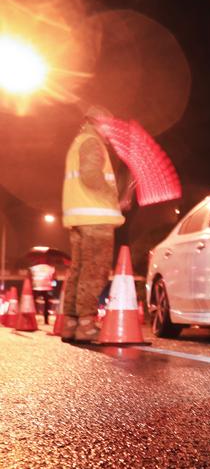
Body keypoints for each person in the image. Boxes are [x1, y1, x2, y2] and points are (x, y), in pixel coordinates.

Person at [60, 106, 131, 343]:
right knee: (94, 272)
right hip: (96, 220)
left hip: (80, 219)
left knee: (79, 271)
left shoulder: (79, 141)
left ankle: (70, 323)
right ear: (99, 122)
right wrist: (115, 198)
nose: (111, 130)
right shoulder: (92, 142)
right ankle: (86, 325)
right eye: (109, 124)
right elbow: (90, 176)